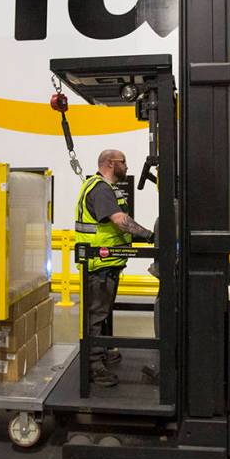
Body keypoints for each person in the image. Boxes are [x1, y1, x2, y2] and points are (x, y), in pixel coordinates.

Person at [75, 149, 154, 387]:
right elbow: (120, 220)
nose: (127, 166)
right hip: (99, 265)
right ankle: (94, 365)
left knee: (102, 312)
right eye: (124, 162)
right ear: (110, 163)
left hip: (107, 263)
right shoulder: (100, 189)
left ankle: (101, 351)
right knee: (96, 316)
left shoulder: (103, 187)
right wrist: (151, 236)